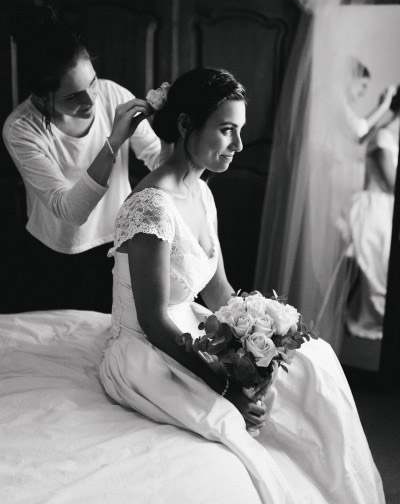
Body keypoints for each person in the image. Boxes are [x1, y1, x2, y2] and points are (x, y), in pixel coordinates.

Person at [99, 67, 384, 503]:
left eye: (240, 131)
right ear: (184, 125)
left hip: (194, 330)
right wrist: (226, 385)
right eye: (227, 130)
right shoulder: (150, 208)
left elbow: (218, 291)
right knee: (233, 429)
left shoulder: (201, 191)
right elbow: (155, 322)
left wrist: (261, 336)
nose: (239, 146)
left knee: (313, 363)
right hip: (148, 350)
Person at [2, 5, 162, 312]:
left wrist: (191, 144)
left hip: (121, 243)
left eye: (92, 83)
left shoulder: (113, 94)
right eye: (72, 97)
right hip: (57, 255)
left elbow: (155, 157)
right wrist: (114, 141)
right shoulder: (21, 129)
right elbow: (70, 211)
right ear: (40, 94)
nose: (91, 101)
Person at [346, 94, 400, 340]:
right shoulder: (383, 136)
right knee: (381, 271)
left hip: (385, 208)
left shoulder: (388, 136)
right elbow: (391, 184)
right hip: (375, 208)